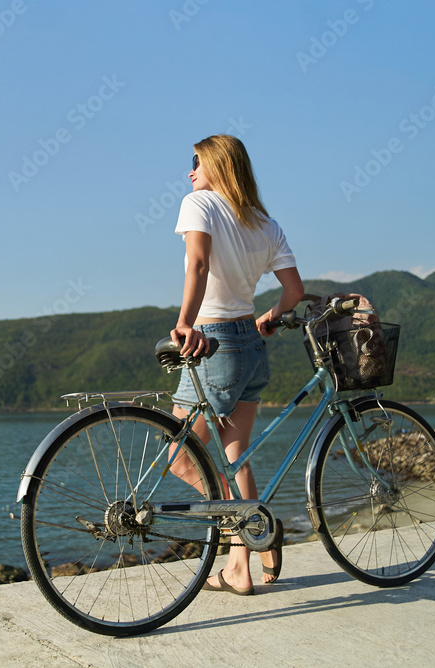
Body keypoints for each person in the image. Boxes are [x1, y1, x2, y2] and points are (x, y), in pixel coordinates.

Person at [169, 134, 304, 596]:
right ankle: (243, 562)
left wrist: (185, 322)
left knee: (178, 456)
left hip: (214, 342)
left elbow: (199, 265)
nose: (190, 172)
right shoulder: (265, 224)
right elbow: (294, 292)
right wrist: (272, 318)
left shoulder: (199, 204)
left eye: (196, 162)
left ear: (218, 166)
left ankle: (242, 523)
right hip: (250, 344)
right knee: (234, 456)